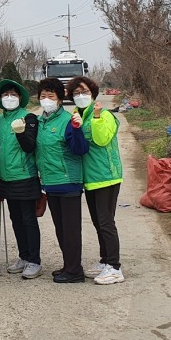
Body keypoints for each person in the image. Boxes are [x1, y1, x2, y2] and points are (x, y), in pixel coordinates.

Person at [66, 76, 124, 285]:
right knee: (98, 221)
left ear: (92, 94)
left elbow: (101, 139)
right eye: (76, 93)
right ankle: (105, 259)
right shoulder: (77, 115)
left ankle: (115, 267)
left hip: (107, 176)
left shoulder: (105, 115)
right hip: (90, 178)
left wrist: (97, 117)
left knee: (106, 221)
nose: (80, 96)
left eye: (84, 92)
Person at [35, 77, 90, 283]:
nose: (46, 99)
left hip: (68, 182)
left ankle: (75, 271)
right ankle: (68, 265)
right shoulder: (41, 121)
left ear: (59, 100)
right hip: (50, 183)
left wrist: (76, 130)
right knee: (60, 228)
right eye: (43, 96)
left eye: (51, 96)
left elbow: (80, 149)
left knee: (71, 229)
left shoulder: (68, 120)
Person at [0, 79, 42, 280]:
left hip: (25, 175)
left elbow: (30, 146)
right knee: (16, 220)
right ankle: (23, 256)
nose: (9, 98)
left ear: (20, 97)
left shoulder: (28, 117)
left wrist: (21, 132)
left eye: (13, 94)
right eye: (5, 95)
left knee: (29, 219)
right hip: (5, 178)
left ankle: (34, 261)